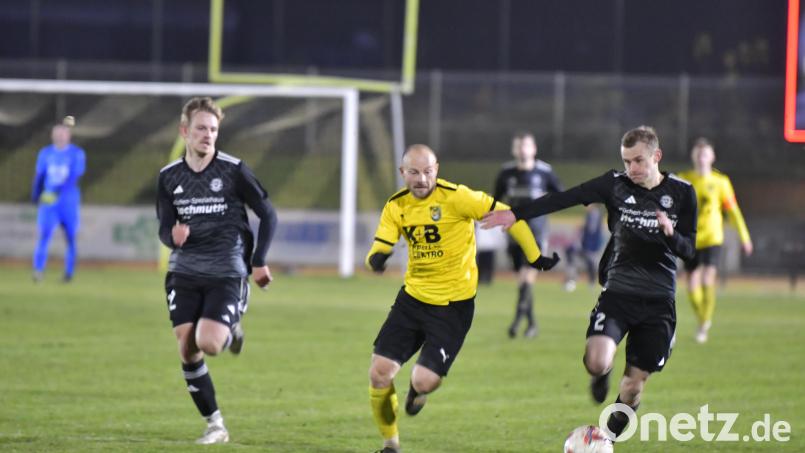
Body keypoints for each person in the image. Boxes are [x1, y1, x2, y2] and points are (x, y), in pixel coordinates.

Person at [481, 126, 697, 442]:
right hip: (618, 292)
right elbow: (564, 198)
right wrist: (515, 214)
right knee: (596, 362)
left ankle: (604, 440)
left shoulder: (682, 192)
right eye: (627, 161)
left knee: (633, 387)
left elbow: (690, 251)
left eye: (639, 161)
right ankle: (602, 375)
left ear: (656, 156)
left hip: (659, 301)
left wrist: (671, 235)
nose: (632, 169)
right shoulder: (615, 185)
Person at [365, 144, 559, 453]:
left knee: (425, 379)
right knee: (379, 373)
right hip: (412, 299)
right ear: (403, 173)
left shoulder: (458, 197)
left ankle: (417, 390)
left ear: (437, 169)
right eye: (413, 172)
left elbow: (511, 217)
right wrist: (375, 260)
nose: (421, 179)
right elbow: (380, 245)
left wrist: (534, 257)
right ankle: (391, 445)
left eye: (427, 172)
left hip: (453, 306)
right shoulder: (396, 206)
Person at [156, 97, 278, 444]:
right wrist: (172, 237)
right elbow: (164, 228)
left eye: (213, 129)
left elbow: (268, 215)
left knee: (208, 344)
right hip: (185, 271)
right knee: (186, 348)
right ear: (185, 132)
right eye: (201, 128)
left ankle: (230, 326)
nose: (208, 135)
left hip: (226, 269)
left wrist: (258, 261)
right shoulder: (169, 177)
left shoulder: (233, 170)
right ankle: (215, 425)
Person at [678, 138, 752, 343]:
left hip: (713, 237)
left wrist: (744, 237)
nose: (702, 158)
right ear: (694, 157)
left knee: (708, 278)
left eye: (705, 154)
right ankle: (702, 319)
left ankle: (704, 323)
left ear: (712, 157)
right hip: (691, 239)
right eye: (698, 154)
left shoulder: (721, 183)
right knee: (692, 284)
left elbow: (733, 212)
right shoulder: (684, 180)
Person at [493, 132, 562, 338]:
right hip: (514, 233)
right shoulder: (506, 173)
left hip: (537, 232)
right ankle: (531, 323)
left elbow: (561, 195)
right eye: (519, 146)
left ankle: (516, 322)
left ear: (534, 149)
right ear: (514, 150)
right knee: (522, 280)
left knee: (527, 275)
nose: (523, 150)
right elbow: (495, 200)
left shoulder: (544, 172)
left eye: (526, 146)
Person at [31, 116, 86, 282]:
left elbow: (73, 177)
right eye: (57, 133)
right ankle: (38, 271)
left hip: (68, 203)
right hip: (49, 204)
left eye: (64, 133)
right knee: (44, 236)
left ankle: (68, 273)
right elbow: (39, 176)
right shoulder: (45, 153)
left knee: (70, 238)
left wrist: (56, 191)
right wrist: (35, 194)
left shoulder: (77, 153)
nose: (60, 136)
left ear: (68, 135)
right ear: (52, 135)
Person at [563, 204, 605, 292]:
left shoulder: (594, 213)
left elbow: (591, 229)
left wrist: (582, 228)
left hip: (590, 246)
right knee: (571, 254)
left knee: (590, 263)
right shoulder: (593, 213)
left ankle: (587, 282)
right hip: (587, 245)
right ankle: (574, 279)